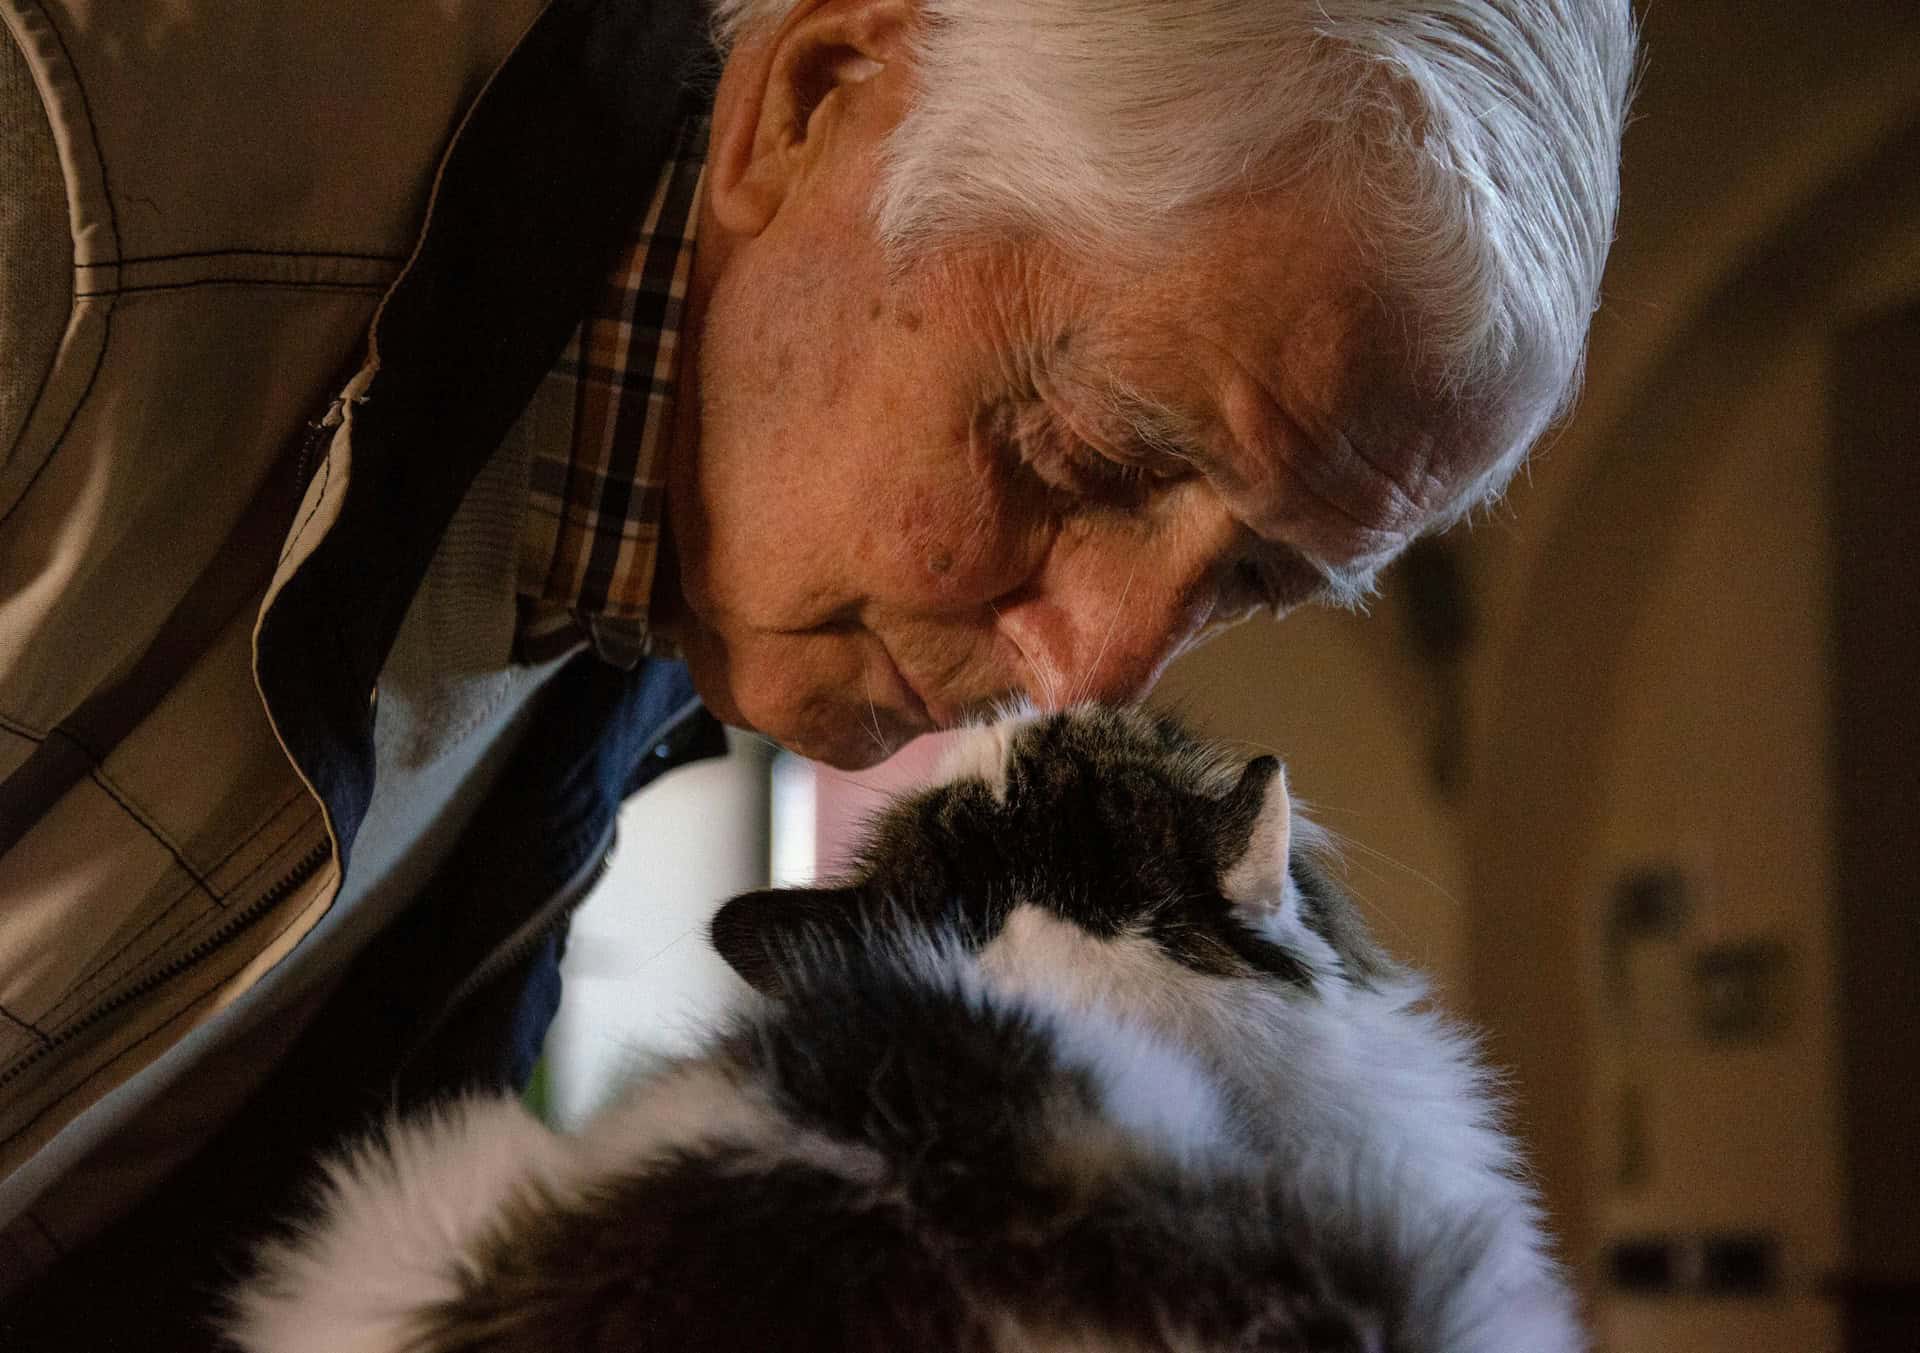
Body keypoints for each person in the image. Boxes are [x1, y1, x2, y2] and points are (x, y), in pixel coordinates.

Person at [0, 0, 1635, 1338]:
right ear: (813, 100)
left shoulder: (665, 558)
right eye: (1080, 453)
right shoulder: (69, 173)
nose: (1090, 673)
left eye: (1257, 578)